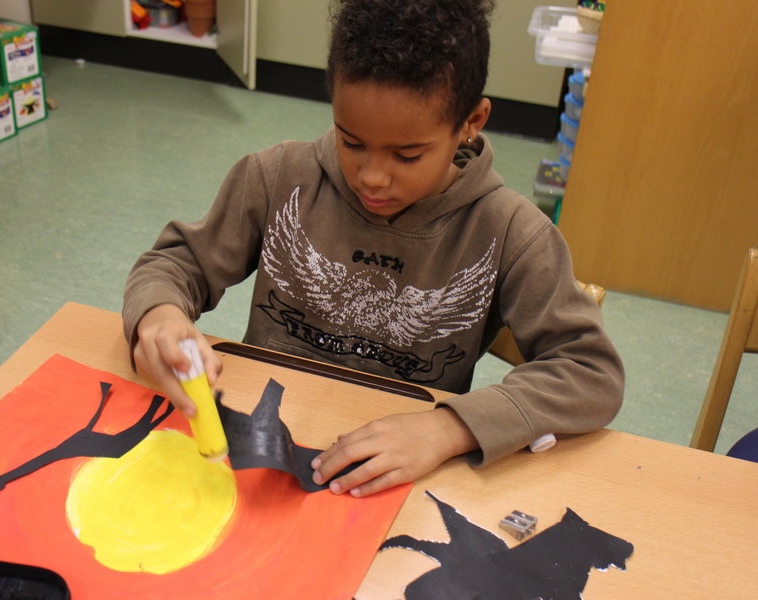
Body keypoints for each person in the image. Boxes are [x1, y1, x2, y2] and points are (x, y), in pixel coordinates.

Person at [123, 0, 624, 498]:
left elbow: (590, 372)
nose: (372, 177)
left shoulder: (511, 232)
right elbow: (174, 264)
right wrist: (160, 315)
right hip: (263, 453)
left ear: (471, 121)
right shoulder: (277, 179)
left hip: (396, 476)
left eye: (407, 155)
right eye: (352, 142)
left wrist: (448, 429)